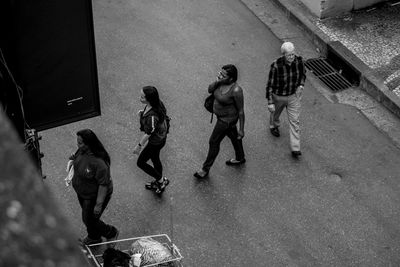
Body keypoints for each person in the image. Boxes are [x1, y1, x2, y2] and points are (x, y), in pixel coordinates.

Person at [194, 64, 245, 178]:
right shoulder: (220, 82)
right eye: (220, 73)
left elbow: (241, 111)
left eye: (223, 75)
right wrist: (217, 81)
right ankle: (240, 158)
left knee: (213, 142)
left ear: (231, 78)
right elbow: (209, 89)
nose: (220, 75)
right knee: (234, 136)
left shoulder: (236, 90)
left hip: (225, 121)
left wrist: (241, 129)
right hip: (223, 119)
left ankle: (205, 169)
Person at [70, 129, 119, 246]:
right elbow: (79, 157)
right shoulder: (82, 151)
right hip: (83, 192)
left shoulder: (99, 163)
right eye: (78, 142)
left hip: (93, 196)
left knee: (89, 219)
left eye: (80, 143)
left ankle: (111, 232)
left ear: (89, 144)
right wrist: (73, 158)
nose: (78, 145)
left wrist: (98, 204)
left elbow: (103, 184)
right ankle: (94, 237)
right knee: (88, 218)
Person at [266, 42, 307, 159]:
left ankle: (295, 148)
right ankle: (273, 125)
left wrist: (301, 85)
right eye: (289, 55)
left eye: (293, 54)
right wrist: (270, 102)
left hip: (293, 96)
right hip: (278, 96)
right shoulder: (276, 65)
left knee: (295, 121)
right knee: (275, 114)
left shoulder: (299, 61)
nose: (292, 57)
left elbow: (303, 74)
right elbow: (270, 85)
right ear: (283, 55)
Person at [133, 86, 169, 194]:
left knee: (140, 163)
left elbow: (149, 132)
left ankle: (161, 181)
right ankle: (160, 180)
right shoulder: (157, 103)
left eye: (142, 97)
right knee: (155, 158)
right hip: (161, 138)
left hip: (156, 142)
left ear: (150, 99)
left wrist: (139, 146)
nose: (140, 98)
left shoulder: (152, 117)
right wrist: (143, 114)